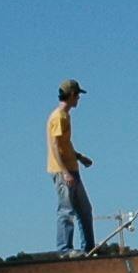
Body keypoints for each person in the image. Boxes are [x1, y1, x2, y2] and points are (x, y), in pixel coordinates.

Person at [48, 79, 96, 255]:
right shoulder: (59, 117)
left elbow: (65, 145)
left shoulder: (66, 116)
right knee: (66, 210)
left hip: (72, 168)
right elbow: (55, 146)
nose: (78, 100)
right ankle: (64, 249)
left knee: (84, 209)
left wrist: (79, 157)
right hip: (63, 171)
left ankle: (89, 247)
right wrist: (65, 171)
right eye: (77, 96)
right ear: (71, 95)